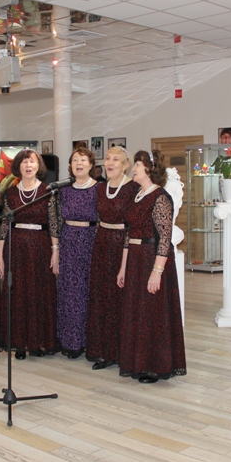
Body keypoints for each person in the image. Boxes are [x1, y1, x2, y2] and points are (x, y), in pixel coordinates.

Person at [117, 149, 186, 383]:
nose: (133, 168)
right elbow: (129, 235)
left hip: (151, 259)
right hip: (135, 260)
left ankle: (155, 366)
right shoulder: (137, 195)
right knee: (137, 312)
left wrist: (157, 272)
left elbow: (165, 238)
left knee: (152, 313)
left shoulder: (160, 197)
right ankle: (136, 362)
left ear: (149, 169)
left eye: (137, 164)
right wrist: (123, 268)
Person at [0, 149, 60, 359]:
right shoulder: (10, 194)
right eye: (24, 162)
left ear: (38, 166)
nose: (28, 166)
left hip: (41, 248)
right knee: (18, 295)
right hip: (16, 250)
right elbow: (4, 226)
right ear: (18, 167)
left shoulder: (48, 192)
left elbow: (53, 224)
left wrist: (55, 251)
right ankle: (20, 343)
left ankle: (38, 342)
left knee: (39, 294)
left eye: (31, 162)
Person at [86, 146, 138, 370]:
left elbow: (134, 224)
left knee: (121, 299)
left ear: (126, 165)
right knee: (102, 298)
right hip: (102, 246)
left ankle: (123, 352)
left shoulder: (134, 188)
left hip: (124, 248)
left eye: (116, 159)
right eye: (107, 158)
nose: (110, 163)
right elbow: (98, 221)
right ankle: (105, 352)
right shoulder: (100, 188)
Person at [56, 148, 98, 359]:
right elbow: (56, 221)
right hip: (68, 242)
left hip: (91, 242)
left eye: (83, 160)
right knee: (69, 292)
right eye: (75, 160)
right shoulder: (63, 190)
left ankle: (89, 341)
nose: (79, 163)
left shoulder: (100, 189)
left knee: (88, 292)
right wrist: (55, 249)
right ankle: (70, 341)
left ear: (91, 165)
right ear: (70, 166)